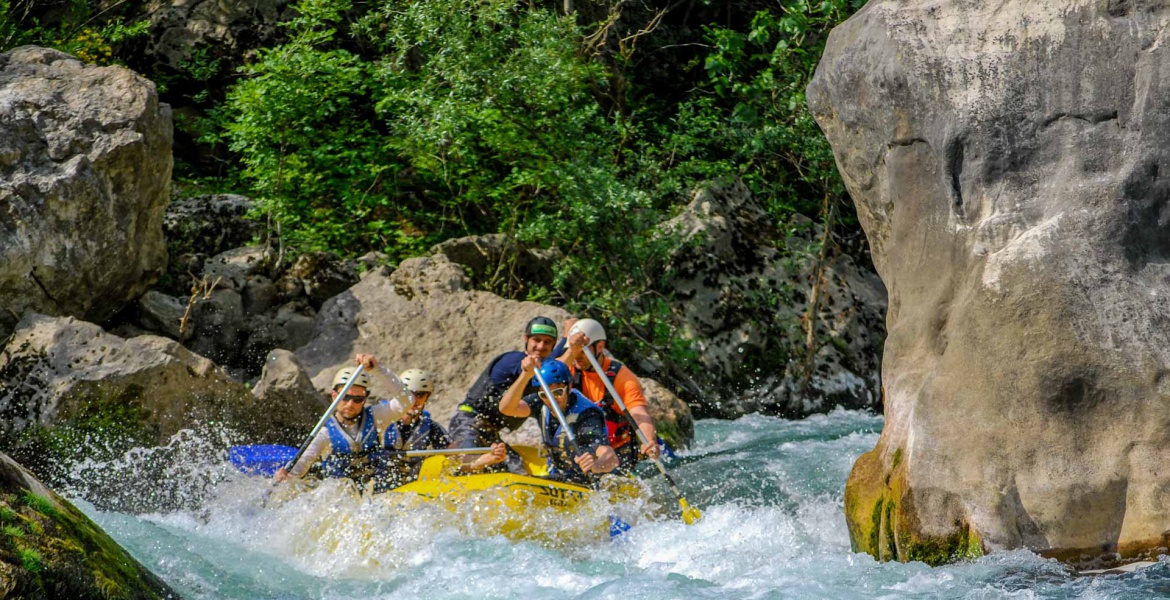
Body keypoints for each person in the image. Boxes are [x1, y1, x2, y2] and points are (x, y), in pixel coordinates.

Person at [448, 316, 560, 473]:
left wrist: (571, 346)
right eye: (536, 340)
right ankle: (473, 463)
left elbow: (556, 368)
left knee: (517, 468)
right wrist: (527, 371)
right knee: (468, 460)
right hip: (468, 421)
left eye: (547, 342)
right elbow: (530, 369)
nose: (541, 346)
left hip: (491, 433)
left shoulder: (545, 370)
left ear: (553, 346)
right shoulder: (513, 360)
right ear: (526, 339)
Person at [556, 318, 661, 473]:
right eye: (575, 350)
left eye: (583, 350)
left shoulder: (622, 378)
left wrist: (649, 440)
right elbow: (546, 378)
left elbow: (638, 414)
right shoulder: (568, 369)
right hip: (585, 449)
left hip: (617, 454)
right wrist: (572, 350)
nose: (578, 356)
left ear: (600, 346)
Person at [498, 359, 617, 484]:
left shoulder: (587, 415)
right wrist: (525, 375)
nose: (552, 399)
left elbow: (611, 457)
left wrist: (596, 466)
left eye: (558, 392)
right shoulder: (541, 400)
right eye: (545, 395)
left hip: (587, 480)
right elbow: (506, 408)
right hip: (559, 474)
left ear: (569, 387)